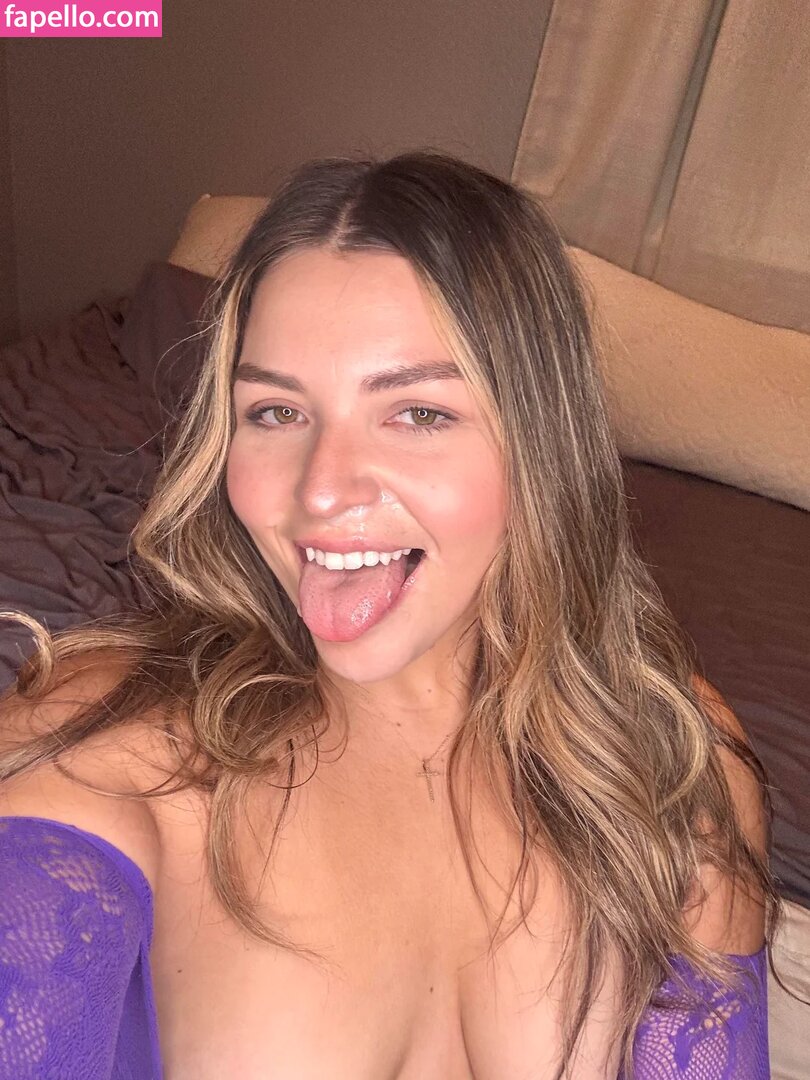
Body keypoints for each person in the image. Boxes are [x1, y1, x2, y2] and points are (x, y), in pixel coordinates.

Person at [0, 151, 777, 1079]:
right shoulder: (106, 748)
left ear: (541, 446)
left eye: (417, 413)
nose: (321, 492)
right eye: (276, 412)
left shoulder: (674, 768)